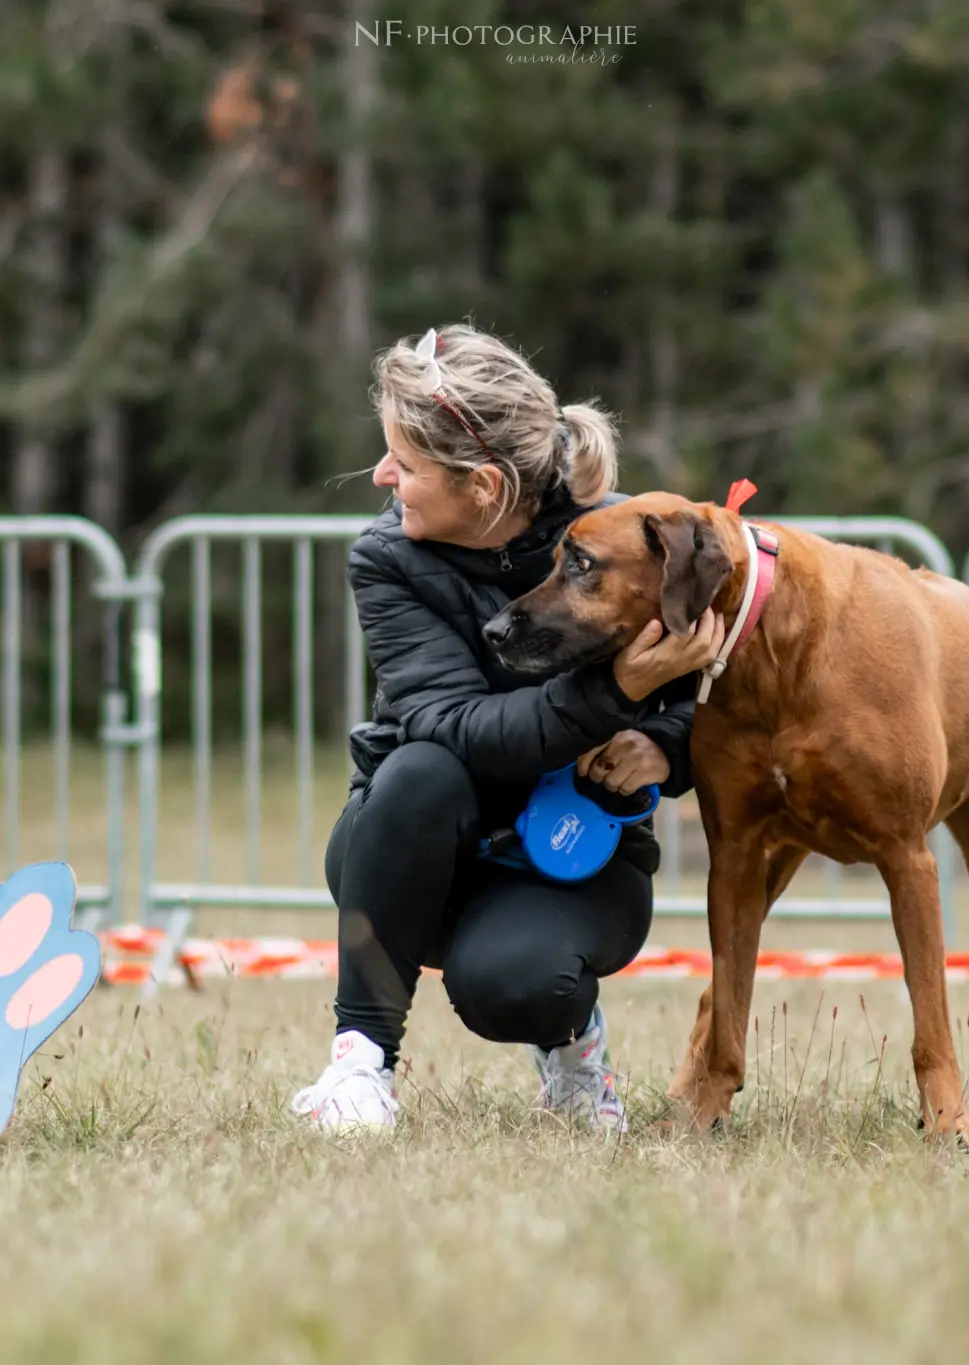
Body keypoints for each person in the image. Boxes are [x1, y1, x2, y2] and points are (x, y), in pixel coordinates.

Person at [291, 323, 725, 1133]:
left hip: (574, 851)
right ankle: (359, 1063)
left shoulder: (637, 538)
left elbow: (718, 691)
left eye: (406, 465)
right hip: (414, 844)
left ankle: (574, 1054)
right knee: (421, 767)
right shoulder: (386, 558)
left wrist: (665, 743)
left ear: (485, 485)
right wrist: (619, 686)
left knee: (514, 986)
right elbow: (457, 728)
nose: (384, 476)